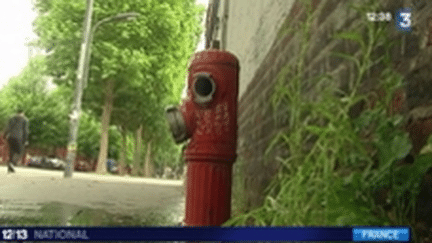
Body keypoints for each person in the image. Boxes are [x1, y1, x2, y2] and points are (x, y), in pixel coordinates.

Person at [3, 109, 29, 173]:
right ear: (22, 113)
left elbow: (8, 127)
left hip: (10, 137)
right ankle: (12, 163)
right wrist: (25, 140)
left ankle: (10, 165)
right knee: (20, 151)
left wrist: (5, 135)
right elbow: (25, 131)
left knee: (12, 150)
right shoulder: (24, 120)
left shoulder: (12, 118)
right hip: (19, 137)